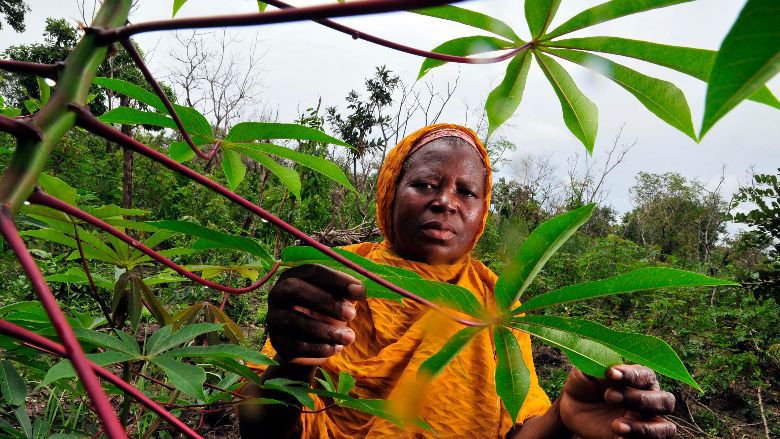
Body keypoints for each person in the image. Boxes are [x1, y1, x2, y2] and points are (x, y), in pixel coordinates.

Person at [239, 124, 677, 438]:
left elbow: (514, 429)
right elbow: (259, 424)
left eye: (466, 192)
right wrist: (290, 362)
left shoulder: (497, 305)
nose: (445, 202)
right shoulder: (336, 280)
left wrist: (564, 417)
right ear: (390, 192)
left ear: (483, 212)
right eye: (425, 184)